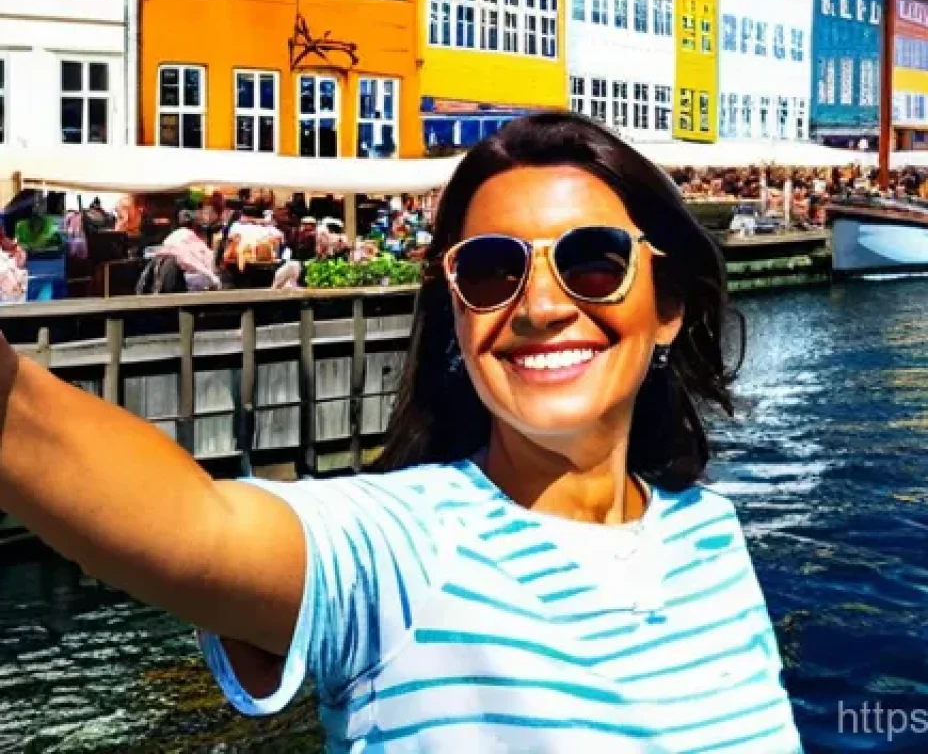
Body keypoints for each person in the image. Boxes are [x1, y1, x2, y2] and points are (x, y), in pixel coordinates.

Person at [0, 112, 802, 752]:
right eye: (493, 269)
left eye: (593, 260)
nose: (541, 306)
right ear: (456, 316)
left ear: (668, 309)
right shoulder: (401, 547)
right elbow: (190, 524)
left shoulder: (712, 536)